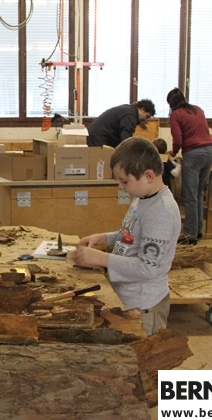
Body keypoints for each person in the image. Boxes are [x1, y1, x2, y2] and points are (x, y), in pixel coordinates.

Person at [68, 137, 181, 336]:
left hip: (144, 306)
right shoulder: (143, 197)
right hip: (129, 296)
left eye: (124, 181)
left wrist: (102, 259)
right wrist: (106, 237)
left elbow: (147, 267)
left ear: (148, 176)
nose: (120, 186)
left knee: (142, 352)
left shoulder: (161, 212)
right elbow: (132, 233)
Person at [167, 88, 212, 245]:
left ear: (171, 103)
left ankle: (189, 235)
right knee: (199, 193)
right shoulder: (197, 109)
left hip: (193, 154)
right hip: (209, 151)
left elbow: (178, 140)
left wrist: (173, 153)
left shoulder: (176, 115)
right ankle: (197, 230)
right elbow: (205, 130)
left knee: (190, 196)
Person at [86, 99, 156, 148]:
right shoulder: (130, 115)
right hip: (99, 137)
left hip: (96, 134)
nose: (146, 120)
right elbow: (126, 140)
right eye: (147, 116)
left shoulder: (128, 109)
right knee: (99, 162)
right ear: (142, 109)